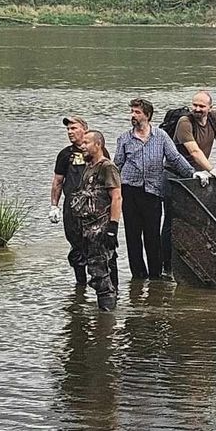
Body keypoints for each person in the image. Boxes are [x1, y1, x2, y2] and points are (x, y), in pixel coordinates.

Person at [114, 98, 207, 280]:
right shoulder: (124, 138)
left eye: (137, 112)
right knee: (133, 237)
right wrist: (110, 189)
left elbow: (175, 158)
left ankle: (155, 277)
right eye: (132, 112)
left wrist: (193, 173)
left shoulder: (161, 136)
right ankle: (138, 276)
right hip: (130, 191)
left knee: (153, 236)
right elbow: (117, 165)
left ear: (147, 116)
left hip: (153, 191)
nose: (133, 115)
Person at [162, 90, 216, 272]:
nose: (197, 109)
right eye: (195, 105)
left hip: (199, 177)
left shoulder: (214, 118)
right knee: (173, 220)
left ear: (210, 108)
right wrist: (212, 170)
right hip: (175, 176)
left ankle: (196, 259)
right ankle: (167, 266)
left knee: (196, 218)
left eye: (202, 106)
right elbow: (194, 151)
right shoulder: (184, 122)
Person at [68, 129, 121, 311]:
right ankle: (106, 318)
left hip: (101, 229)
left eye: (86, 143)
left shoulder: (107, 167)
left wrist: (112, 227)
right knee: (96, 270)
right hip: (87, 228)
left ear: (98, 145)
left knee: (100, 273)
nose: (82, 146)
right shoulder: (88, 167)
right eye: (82, 144)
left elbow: (116, 197)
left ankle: (107, 316)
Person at [49, 114, 90, 283]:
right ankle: (80, 284)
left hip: (93, 205)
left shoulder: (96, 150)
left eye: (73, 128)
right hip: (71, 206)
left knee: (96, 245)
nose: (70, 132)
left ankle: (102, 284)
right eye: (68, 129)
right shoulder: (65, 154)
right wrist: (54, 206)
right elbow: (57, 181)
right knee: (76, 245)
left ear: (84, 130)